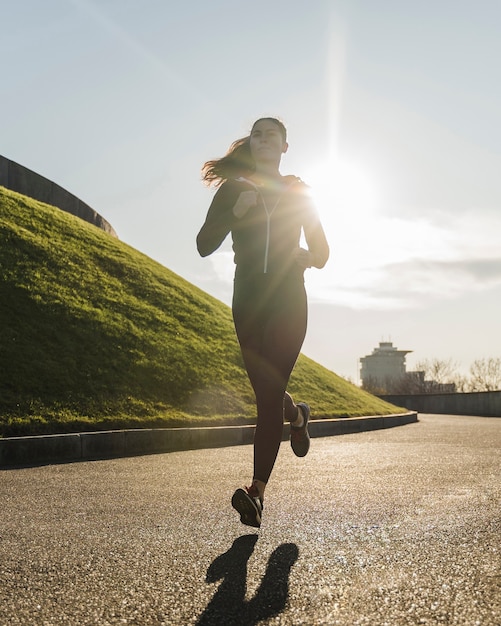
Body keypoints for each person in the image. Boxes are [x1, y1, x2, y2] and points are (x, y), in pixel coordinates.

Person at [196, 117, 329, 528]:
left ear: (285, 146)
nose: (264, 138)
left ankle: (256, 494)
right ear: (251, 145)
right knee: (268, 392)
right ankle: (298, 416)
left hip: (289, 300)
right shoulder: (234, 190)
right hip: (249, 302)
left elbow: (323, 249)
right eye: (257, 133)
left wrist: (311, 256)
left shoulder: (299, 191)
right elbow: (204, 245)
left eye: (272, 134)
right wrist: (233, 213)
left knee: (265, 397)